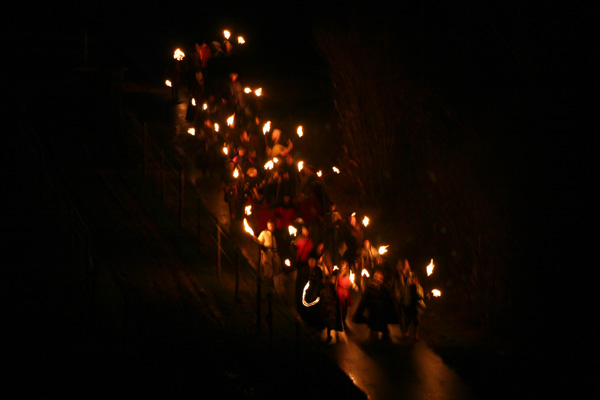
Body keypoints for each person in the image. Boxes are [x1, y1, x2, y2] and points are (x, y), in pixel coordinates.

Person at [352, 270, 399, 341]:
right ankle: (374, 336)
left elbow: (388, 298)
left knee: (383, 326)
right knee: (374, 325)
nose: (380, 280)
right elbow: (365, 298)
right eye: (378, 278)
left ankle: (384, 336)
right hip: (373, 310)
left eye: (380, 278)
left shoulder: (383, 287)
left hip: (382, 310)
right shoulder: (371, 287)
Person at [296, 257, 324, 335]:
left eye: (313, 263)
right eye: (310, 263)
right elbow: (301, 281)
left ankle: (313, 322)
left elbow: (319, 281)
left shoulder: (318, 270)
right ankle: (306, 320)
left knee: (314, 307)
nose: (311, 265)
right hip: (306, 292)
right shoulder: (304, 270)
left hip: (314, 290)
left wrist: (316, 292)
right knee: (305, 306)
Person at [257, 219, 281, 286]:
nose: (271, 227)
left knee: (276, 269)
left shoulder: (274, 234)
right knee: (268, 269)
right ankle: (268, 284)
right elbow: (258, 243)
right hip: (267, 252)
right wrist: (262, 247)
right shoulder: (264, 233)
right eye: (270, 225)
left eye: (273, 225)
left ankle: (272, 284)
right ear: (267, 225)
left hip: (274, 253)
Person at [404, 274, 426, 340]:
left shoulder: (419, 287)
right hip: (409, 305)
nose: (414, 280)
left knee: (416, 321)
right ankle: (407, 332)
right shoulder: (408, 287)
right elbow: (406, 295)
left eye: (415, 279)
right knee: (408, 320)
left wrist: (422, 296)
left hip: (416, 306)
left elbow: (421, 296)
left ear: (417, 280)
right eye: (413, 279)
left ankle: (415, 335)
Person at [336, 259, 357, 326]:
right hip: (339, 289)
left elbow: (351, 281)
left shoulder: (349, 272)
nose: (344, 264)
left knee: (345, 304)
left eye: (345, 263)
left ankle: (344, 317)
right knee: (339, 303)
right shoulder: (337, 270)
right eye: (343, 263)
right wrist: (343, 271)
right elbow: (337, 277)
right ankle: (338, 317)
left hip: (346, 290)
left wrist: (353, 285)